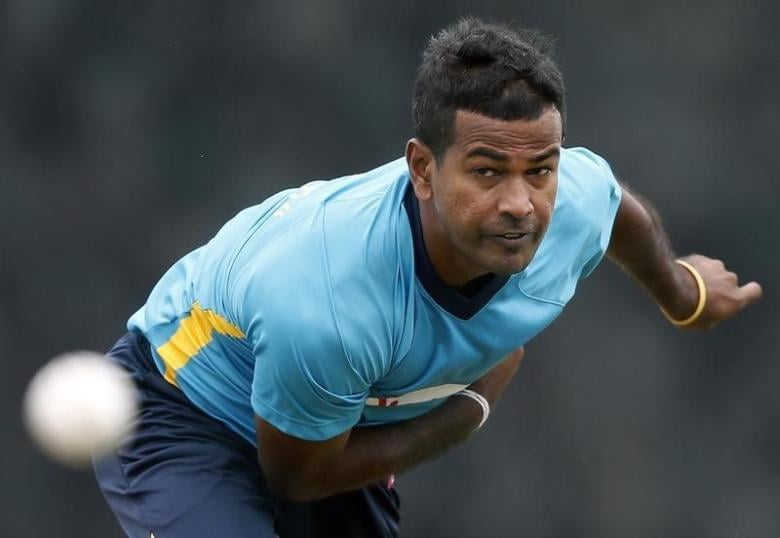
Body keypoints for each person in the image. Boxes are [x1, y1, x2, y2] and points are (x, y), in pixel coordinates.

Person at [93, 17, 762, 538]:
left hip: (335, 415)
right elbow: (295, 477)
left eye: (540, 170)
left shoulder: (574, 200)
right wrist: (462, 413)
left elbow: (616, 210)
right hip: (186, 413)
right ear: (421, 168)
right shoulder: (329, 302)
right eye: (487, 171)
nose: (520, 204)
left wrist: (683, 293)